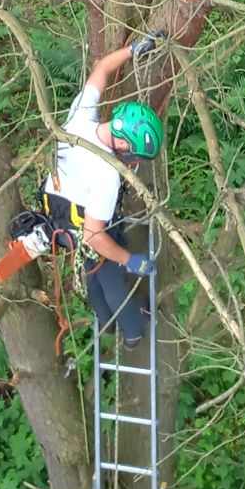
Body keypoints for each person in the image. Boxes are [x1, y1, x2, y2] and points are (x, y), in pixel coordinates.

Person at [42, 36, 165, 349]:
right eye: (133, 155)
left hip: (56, 218)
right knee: (109, 276)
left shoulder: (80, 117)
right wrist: (130, 260)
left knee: (90, 272)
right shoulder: (107, 175)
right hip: (84, 226)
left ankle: (106, 324)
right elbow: (95, 237)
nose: (132, 162)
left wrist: (133, 49)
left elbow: (101, 68)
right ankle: (134, 331)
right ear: (122, 145)